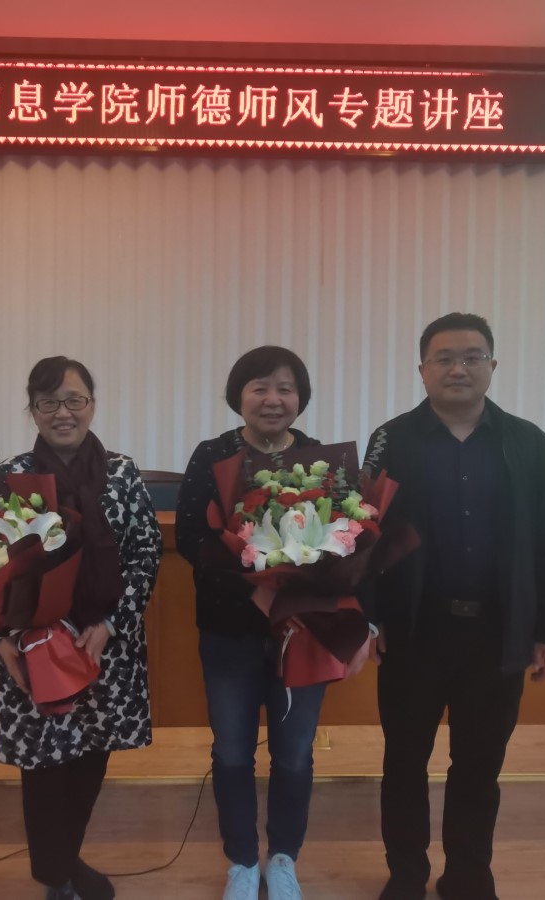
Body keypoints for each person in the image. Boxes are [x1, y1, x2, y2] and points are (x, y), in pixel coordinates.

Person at [363, 312, 545, 900]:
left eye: (472, 356)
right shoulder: (392, 439)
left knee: (479, 765)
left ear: (493, 365)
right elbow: (363, 535)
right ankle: (406, 874)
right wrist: (369, 617)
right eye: (445, 358)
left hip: (496, 632)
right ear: (422, 370)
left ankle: (468, 874)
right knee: (404, 762)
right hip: (414, 632)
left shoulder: (528, 443)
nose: (459, 368)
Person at [176, 346, 371, 900]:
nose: (272, 399)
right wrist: (257, 587)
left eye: (285, 388)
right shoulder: (212, 455)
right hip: (229, 631)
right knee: (232, 750)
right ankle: (241, 860)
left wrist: (351, 620)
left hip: (302, 633)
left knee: (294, 751)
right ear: (238, 395)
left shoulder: (322, 459)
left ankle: (283, 857)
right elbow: (192, 540)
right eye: (259, 387)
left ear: (300, 398)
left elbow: (352, 538)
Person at [0, 356, 161, 900]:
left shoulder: (123, 472)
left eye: (74, 400)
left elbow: (145, 554)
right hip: (32, 648)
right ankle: (54, 874)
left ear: (92, 406)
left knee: (89, 761)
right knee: (44, 768)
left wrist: (110, 623)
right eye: (48, 402)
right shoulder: (8, 477)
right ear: (33, 411)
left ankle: (62, 863)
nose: (63, 412)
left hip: (105, 647)